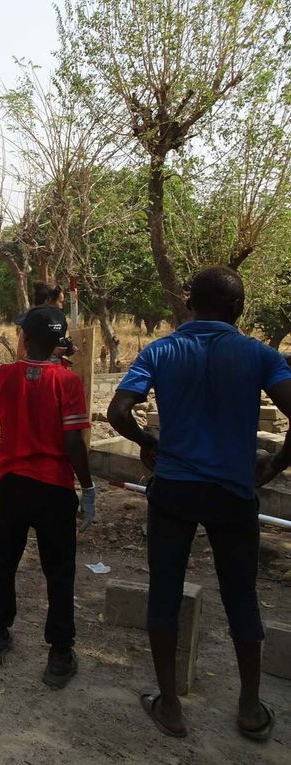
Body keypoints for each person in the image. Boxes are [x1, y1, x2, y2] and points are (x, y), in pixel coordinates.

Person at [107, 266, 288, 741]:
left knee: (165, 593)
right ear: (239, 309)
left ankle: (170, 706)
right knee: (241, 595)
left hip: (174, 491)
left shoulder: (161, 350)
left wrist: (148, 441)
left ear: (190, 303)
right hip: (233, 493)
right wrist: (274, 467)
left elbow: (118, 411)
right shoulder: (259, 355)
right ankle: (249, 707)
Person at [0, 306, 95, 689]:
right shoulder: (68, 382)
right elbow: (72, 441)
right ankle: (60, 655)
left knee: (3, 561)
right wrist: (87, 486)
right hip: (54, 488)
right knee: (59, 571)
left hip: (12, 485)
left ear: (26, 338)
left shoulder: (3, 375)